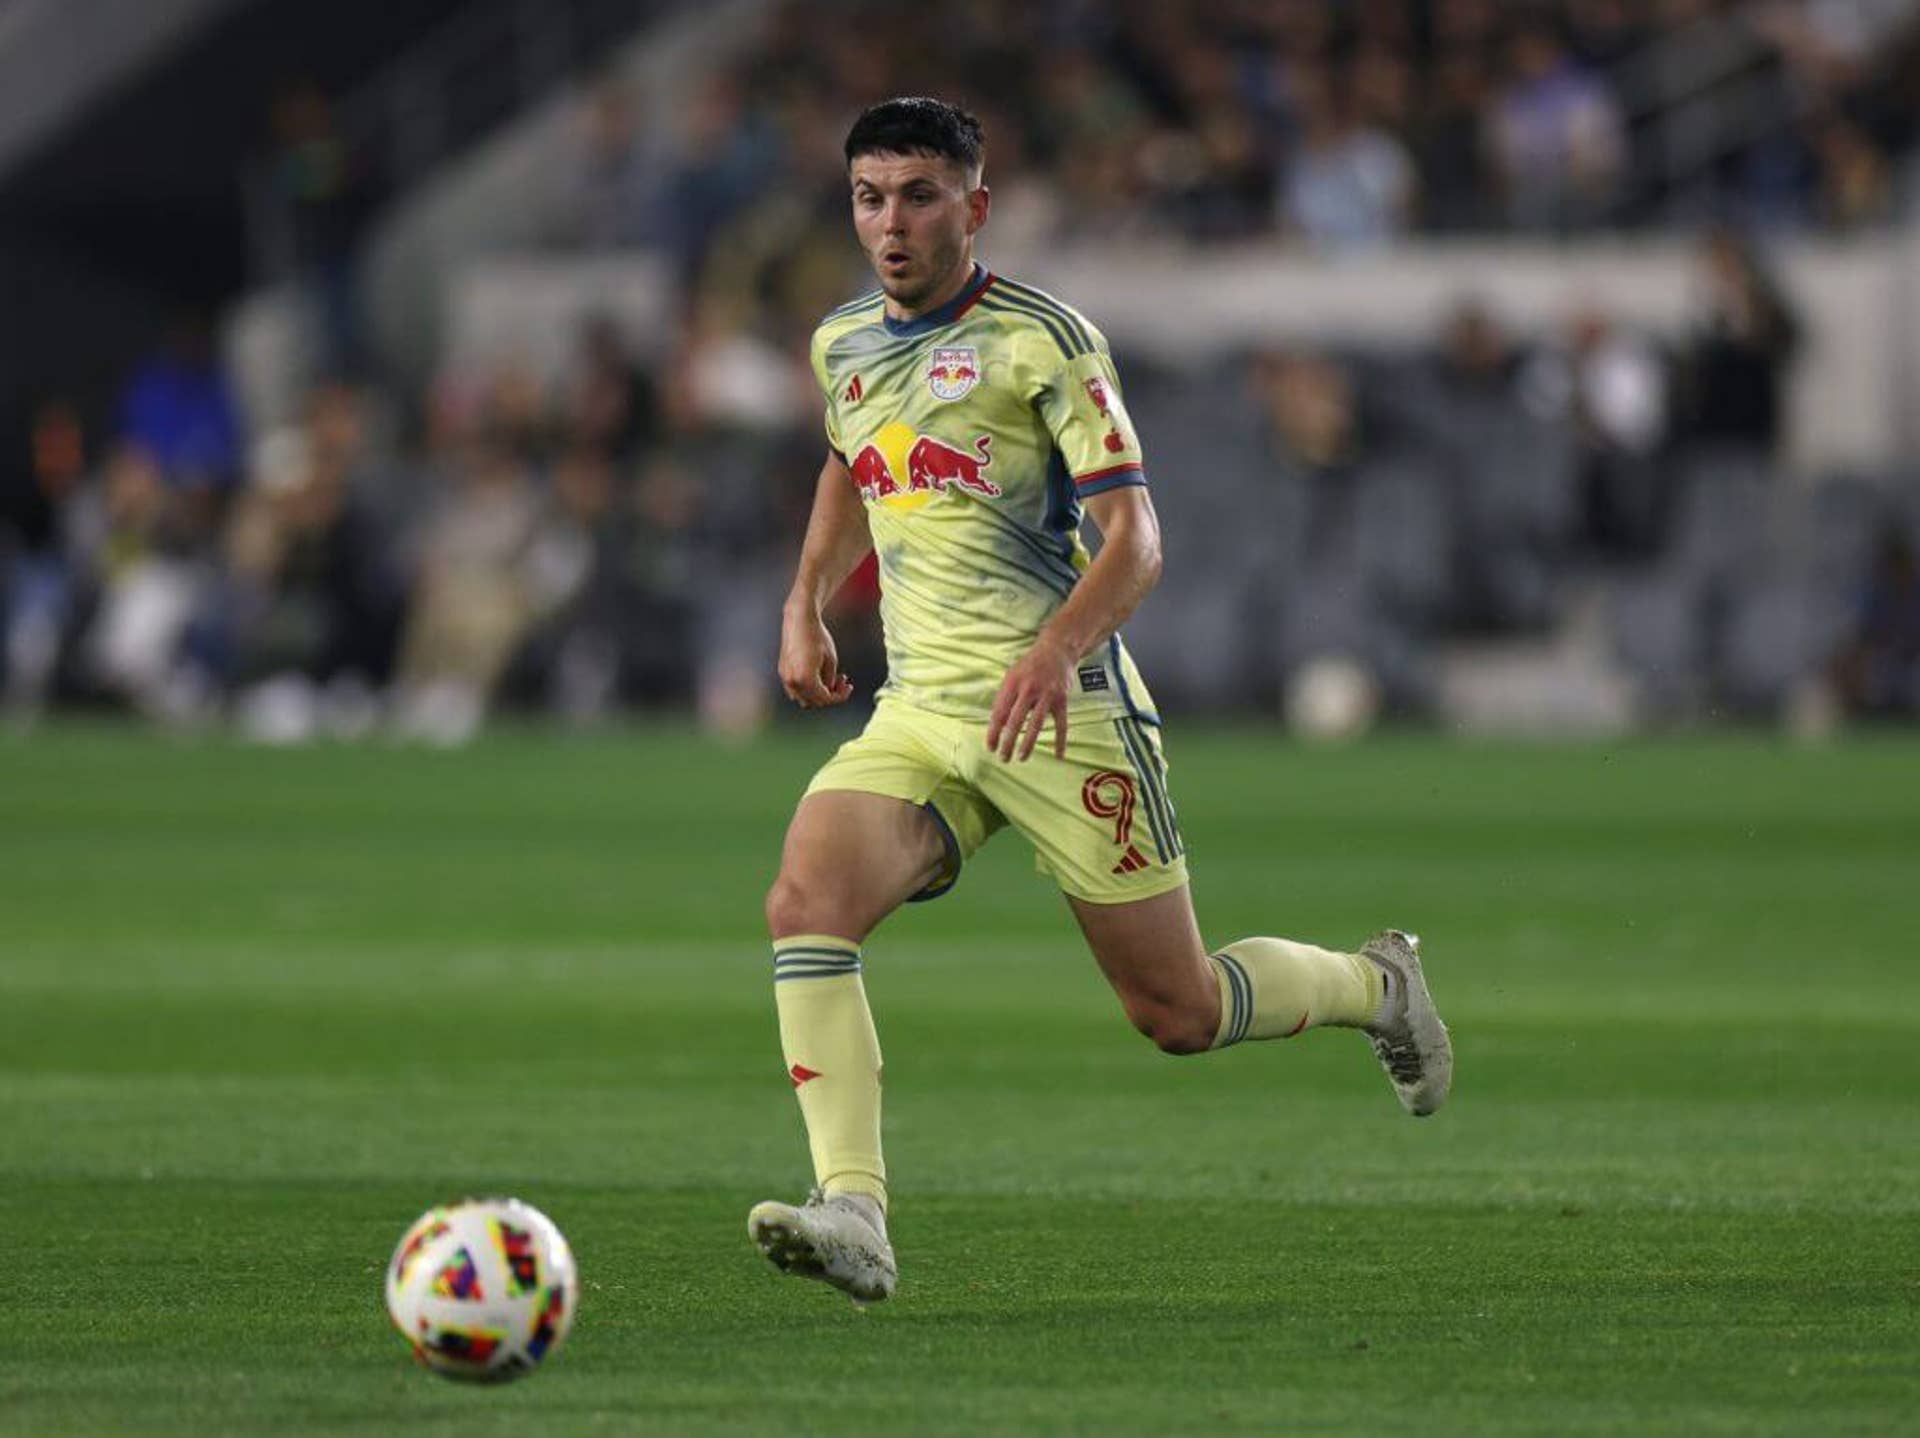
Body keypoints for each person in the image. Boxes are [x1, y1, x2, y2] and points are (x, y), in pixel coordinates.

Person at [746, 98, 1452, 1304]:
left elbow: (1138, 539)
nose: (891, 223)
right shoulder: (843, 343)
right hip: (922, 711)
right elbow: (847, 461)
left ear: (975, 205)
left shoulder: (1046, 340)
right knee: (805, 901)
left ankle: (1377, 985)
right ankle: (853, 1209)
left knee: (1177, 1011)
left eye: (919, 196)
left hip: (1062, 711)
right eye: (870, 197)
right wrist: (805, 597)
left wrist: (1052, 649)